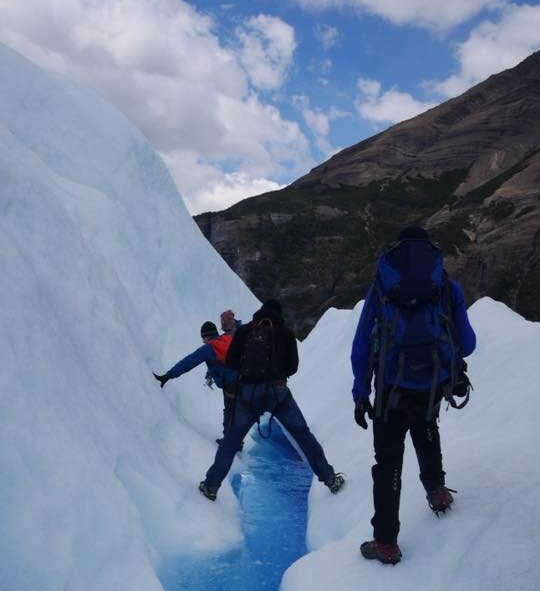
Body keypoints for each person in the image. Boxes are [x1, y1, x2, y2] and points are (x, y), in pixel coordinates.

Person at [351, 226, 476, 565]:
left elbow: (362, 345)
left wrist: (360, 392)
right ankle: (437, 492)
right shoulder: (447, 288)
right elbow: (468, 343)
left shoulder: (382, 290)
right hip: (431, 384)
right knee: (427, 428)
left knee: (388, 463)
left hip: (390, 392)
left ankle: (386, 543)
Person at [199, 299, 345, 501]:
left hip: (248, 395)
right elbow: (293, 367)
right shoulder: (285, 333)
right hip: (278, 395)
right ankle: (330, 479)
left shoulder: (244, 332)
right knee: (303, 435)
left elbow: (231, 361)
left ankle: (211, 486)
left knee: (231, 441)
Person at [153, 321, 238, 437]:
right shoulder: (227, 339)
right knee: (236, 411)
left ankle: (230, 441)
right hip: (243, 378)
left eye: (203, 337)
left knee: (230, 411)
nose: (203, 341)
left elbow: (188, 362)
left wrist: (168, 375)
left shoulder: (208, 348)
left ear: (208, 336)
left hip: (230, 385)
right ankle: (234, 440)